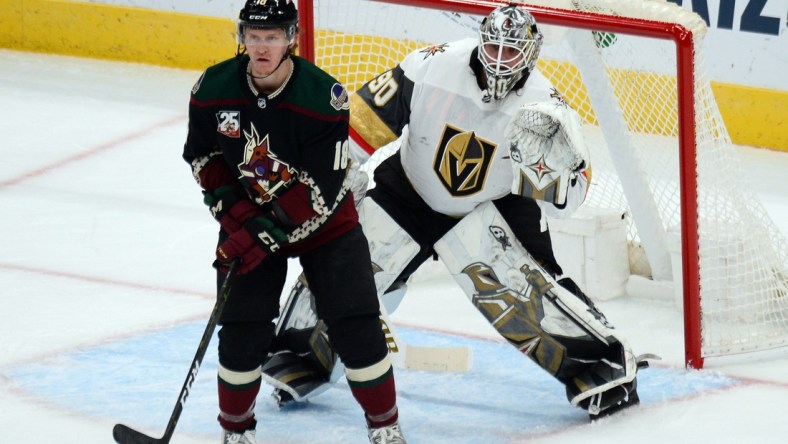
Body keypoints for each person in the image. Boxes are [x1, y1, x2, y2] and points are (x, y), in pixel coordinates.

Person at [263, 2, 648, 424]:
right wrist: (339, 170)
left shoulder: (545, 106)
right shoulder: (431, 66)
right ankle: (302, 355)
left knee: (528, 291)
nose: (500, 60)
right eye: (495, 48)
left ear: (532, 53)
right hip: (409, 188)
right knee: (343, 266)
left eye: (512, 52)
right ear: (481, 42)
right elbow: (361, 120)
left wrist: (560, 176)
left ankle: (605, 366)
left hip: (492, 202)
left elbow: (566, 204)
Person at [182, 1, 406, 443]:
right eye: (254, 36)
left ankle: (385, 427)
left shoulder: (324, 99)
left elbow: (320, 191)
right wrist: (242, 220)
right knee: (242, 325)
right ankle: (236, 430)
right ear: (242, 36)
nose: (262, 47)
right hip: (250, 221)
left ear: (291, 39)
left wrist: (257, 233)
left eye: (273, 37)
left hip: (327, 227)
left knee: (355, 322)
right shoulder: (212, 89)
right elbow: (204, 158)